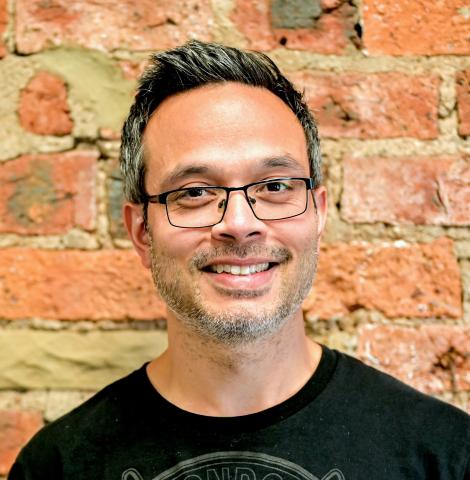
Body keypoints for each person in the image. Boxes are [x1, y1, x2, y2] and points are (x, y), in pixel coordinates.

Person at [8, 40, 470, 480]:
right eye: (195, 192)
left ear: (318, 213)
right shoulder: (57, 466)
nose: (239, 223)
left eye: (275, 186)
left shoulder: (444, 455)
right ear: (142, 232)